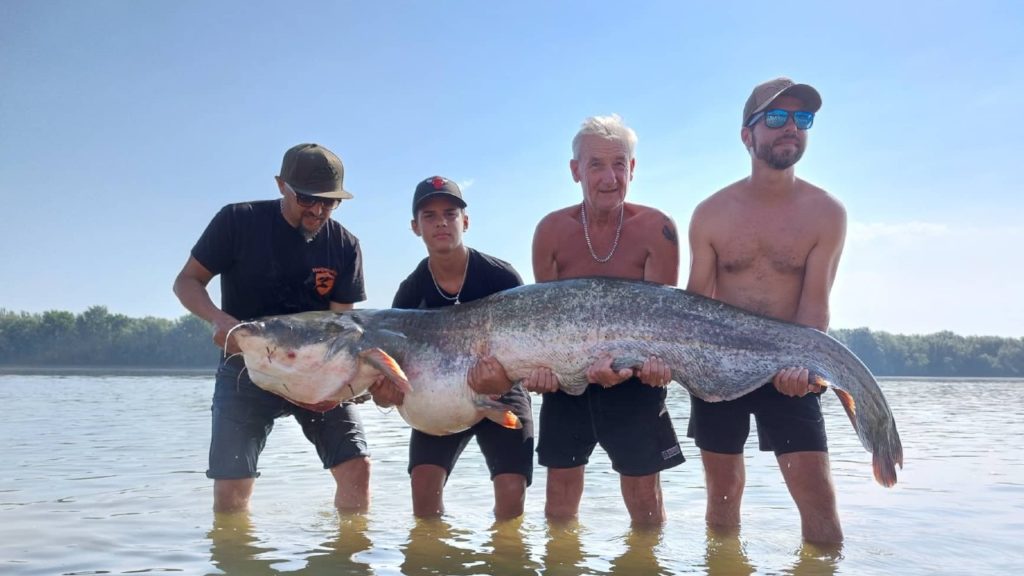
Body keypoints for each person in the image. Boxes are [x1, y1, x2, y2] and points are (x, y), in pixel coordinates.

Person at [685, 77, 847, 543]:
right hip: (718, 369)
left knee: (818, 501)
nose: (790, 128)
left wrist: (802, 365)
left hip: (790, 368)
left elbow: (815, 308)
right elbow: (695, 306)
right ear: (747, 135)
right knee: (722, 496)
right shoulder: (710, 213)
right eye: (776, 118)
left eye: (802, 119)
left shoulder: (826, 213)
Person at [173, 143, 371, 514]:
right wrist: (218, 319)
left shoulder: (345, 245)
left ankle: (347, 561)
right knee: (231, 491)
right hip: (246, 368)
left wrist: (352, 381)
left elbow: (344, 327)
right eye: (307, 198)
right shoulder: (237, 221)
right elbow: (187, 281)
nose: (317, 210)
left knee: (357, 468)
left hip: (317, 375)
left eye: (329, 202)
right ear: (282, 185)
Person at [529, 114, 685, 526]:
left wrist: (645, 369)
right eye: (596, 164)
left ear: (632, 169)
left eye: (619, 164)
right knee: (558, 504)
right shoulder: (550, 231)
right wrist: (542, 373)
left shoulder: (658, 229)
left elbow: (661, 326)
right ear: (575, 170)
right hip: (568, 385)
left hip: (634, 386)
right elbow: (547, 324)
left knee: (645, 505)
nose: (609, 176)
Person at [369, 176, 534, 520]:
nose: (441, 222)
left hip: (502, 389)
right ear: (415, 227)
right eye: (429, 216)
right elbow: (394, 376)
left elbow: (530, 347)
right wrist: (385, 395)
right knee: (423, 491)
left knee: (511, 489)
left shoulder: (501, 277)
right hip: (438, 400)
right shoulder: (409, 293)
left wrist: (502, 381)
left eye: (450, 213)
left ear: (466, 221)